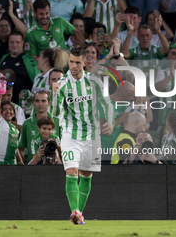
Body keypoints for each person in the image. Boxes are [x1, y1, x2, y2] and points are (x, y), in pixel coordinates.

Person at [51, 46, 114, 224]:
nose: (74, 66)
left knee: (86, 175)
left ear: (85, 63)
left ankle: (79, 215)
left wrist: (110, 121)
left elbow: (107, 103)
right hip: (70, 135)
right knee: (71, 172)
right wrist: (55, 95)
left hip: (92, 136)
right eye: (71, 62)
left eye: (78, 62)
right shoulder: (62, 84)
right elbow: (55, 112)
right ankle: (74, 211)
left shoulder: (94, 82)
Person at [18, 90, 61, 163]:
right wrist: (21, 165)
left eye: (43, 101)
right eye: (37, 101)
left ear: (49, 103)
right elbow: (21, 147)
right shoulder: (27, 123)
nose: (40, 104)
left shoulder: (58, 121)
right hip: (34, 168)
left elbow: (63, 147)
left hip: (55, 167)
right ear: (33, 103)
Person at [0, 32, 39, 104]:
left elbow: (37, 82)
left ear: (22, 43)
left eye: (17, 42)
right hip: (4, 103)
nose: (14, 45)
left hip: (22, 104)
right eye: (12, 42)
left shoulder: (29, 60)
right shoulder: (4, 58)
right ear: (8, 43)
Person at [0, 96, 23, 165]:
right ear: (0, 112)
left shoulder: (15, 129)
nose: (8, 111)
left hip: (12, 163)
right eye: (4, 109)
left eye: (10, 109)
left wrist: (20, 161)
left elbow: (14, 147)